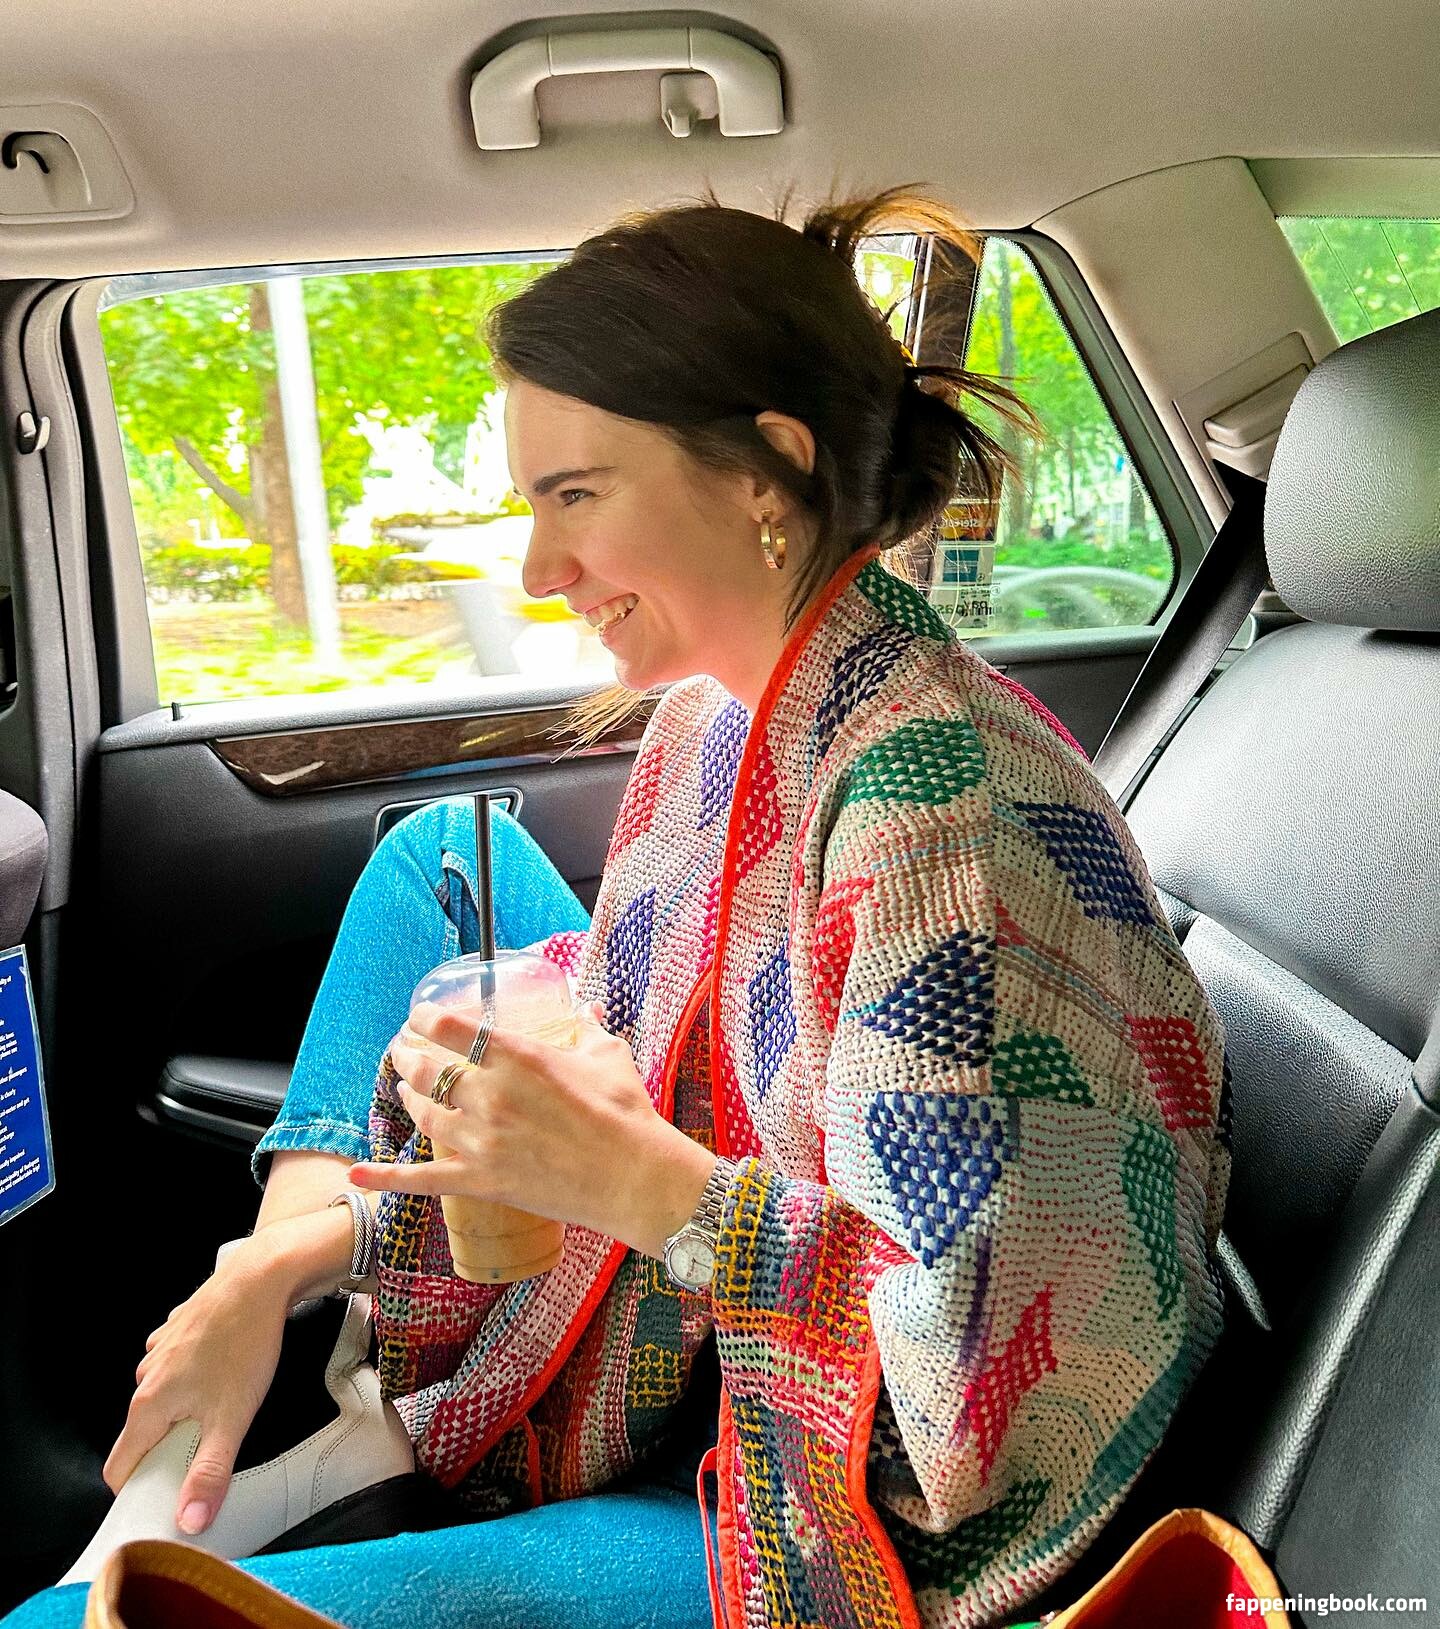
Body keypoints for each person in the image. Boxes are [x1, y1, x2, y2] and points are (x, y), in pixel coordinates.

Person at [7, 186, 1231, 1629]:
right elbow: (666, 1034)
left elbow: (955, 1406)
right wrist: (284, 1259)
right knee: (444, 859)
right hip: (707, 1325)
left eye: (577, 495)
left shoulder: (934, 821)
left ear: (769, 470)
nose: (538, 571)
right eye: (532, 504)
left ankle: (350, 1415)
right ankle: (318, 1355)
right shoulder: (716, 715)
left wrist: (630, 1182)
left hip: (840, 1505)